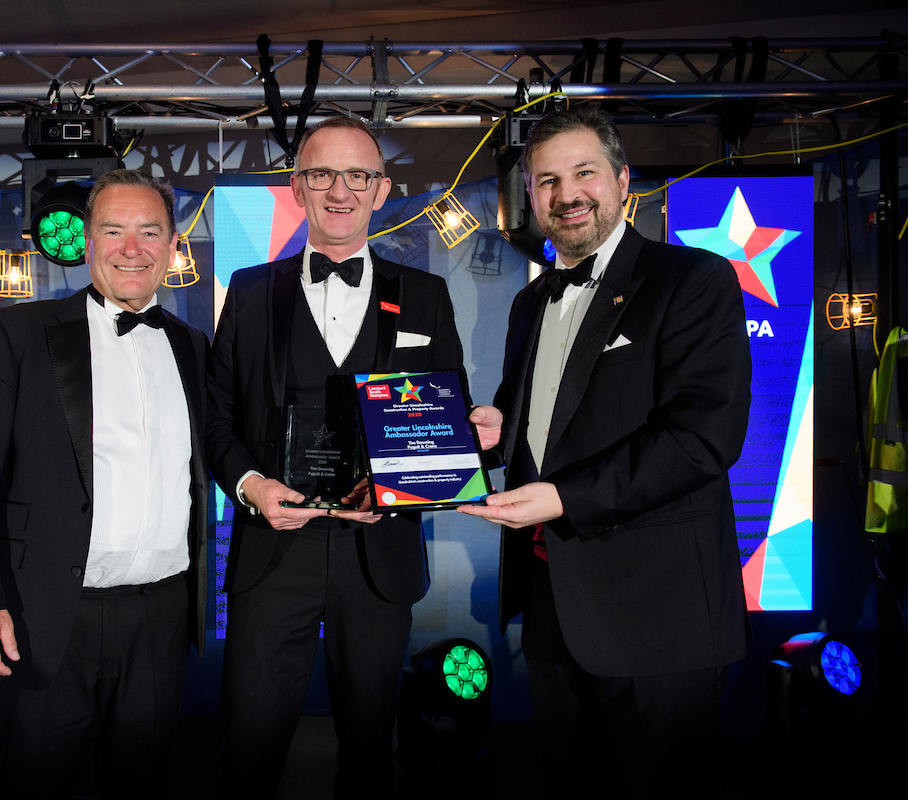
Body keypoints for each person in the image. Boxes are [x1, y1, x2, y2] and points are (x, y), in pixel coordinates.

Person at [459, 106, 751, 799]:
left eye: (584, 173)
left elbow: (702, 438)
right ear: (529, 197)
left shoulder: (694, 281)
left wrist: (562, 497)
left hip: (659, 615)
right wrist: (498, 429)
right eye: (547, 181)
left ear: (624, 182)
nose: (567, 194)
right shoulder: (532, 303)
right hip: (555, 608)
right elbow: (539, 421)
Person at [207, 116, 462, 797]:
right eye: (322, 174)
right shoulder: (251, 290)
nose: (340, 190)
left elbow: (441, 422)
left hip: (376, 558)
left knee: (372, 756)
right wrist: (251, 484)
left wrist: (403, 486)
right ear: (298, 187)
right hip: (272, 551)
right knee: (248, 752)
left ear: (382, 190)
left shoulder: (424, 296)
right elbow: (217, 417)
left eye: (358, 176)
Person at [0, 169, 210, 799]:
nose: (131, 247)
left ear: (172, 248)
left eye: (150, 232)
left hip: (160, 617)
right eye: (113, 230)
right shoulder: (20, 334)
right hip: (45, 616)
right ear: (87, 242)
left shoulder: (195, 346)